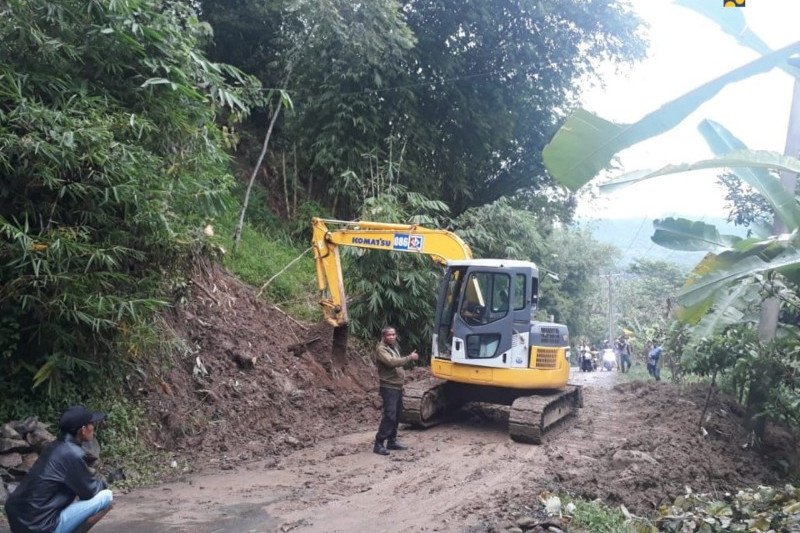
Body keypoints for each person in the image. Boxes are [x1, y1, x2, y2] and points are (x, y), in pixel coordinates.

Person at [5, 405, 114, 533]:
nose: (93, 427)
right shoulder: (71, 453)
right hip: (41, 527)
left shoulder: (54, 447)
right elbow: (91, 491)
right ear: (83, 430)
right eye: (91, 424)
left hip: (20, 522)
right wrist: (103, 482)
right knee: (106, 496)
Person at [373, 325, 419, 456]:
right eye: (389, 335)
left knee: (397, 415)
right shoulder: (381, 349)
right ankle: (379, 443)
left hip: (397, 386)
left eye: (393, 334)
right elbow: (392, 362)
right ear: (383, 336)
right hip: (388, 387)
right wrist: (409, 357)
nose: (392, 337)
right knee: (390, 415)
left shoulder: (393, 347)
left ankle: (392, 441)